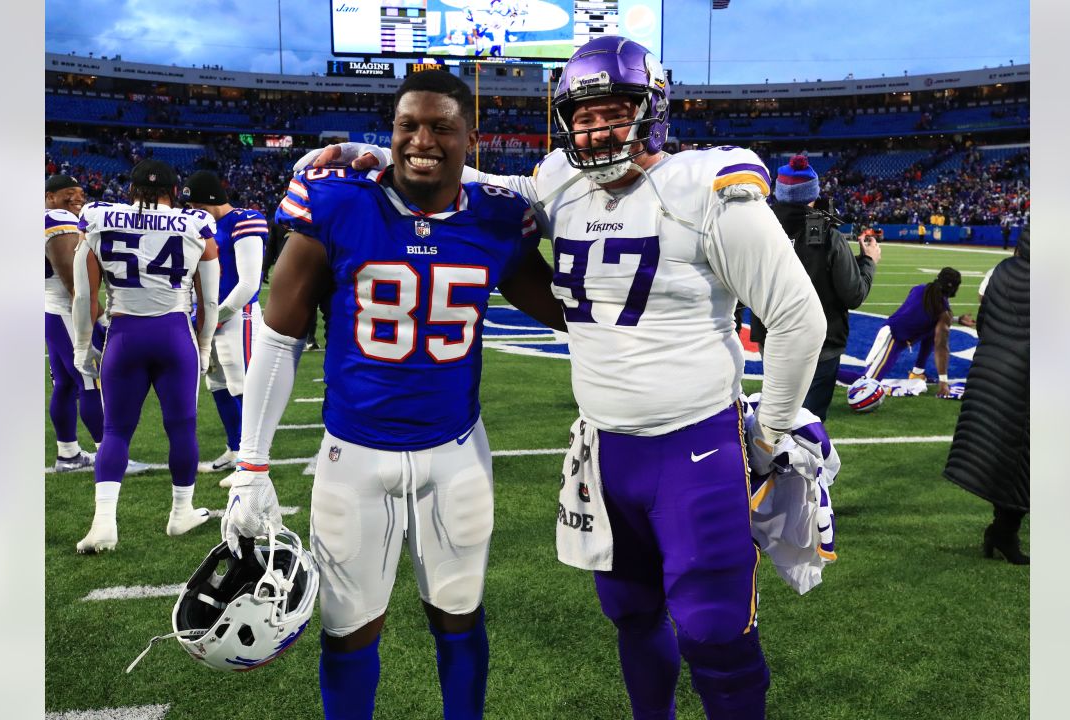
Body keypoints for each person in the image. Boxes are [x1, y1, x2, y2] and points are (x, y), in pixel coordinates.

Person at [307, 35, 825, 720]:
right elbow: (490, 187)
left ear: (652, 111)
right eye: (582, 116)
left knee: (712, 627)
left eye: (612, 111)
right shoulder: (561, 182)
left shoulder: (707, 189)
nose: (595, 128)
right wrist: (382, 155)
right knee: (631, 613)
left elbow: (798, 318)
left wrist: (772, 436)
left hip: (694, 445)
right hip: (607, 450)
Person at [220, 70, 565, 719]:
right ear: (390, 132)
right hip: (354, 457)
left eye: (440, 126)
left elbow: (568, 311)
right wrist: (251, 465)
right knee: (348, 627)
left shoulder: (496, 217)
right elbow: (277, 335)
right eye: (408, 126)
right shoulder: (338, 202)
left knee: (458, 616)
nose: (421, 140)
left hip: (456, 453)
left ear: (471, 137)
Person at [70, 159, 220, 554]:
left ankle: (103, 522)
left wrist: (83, 346)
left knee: (116, 430)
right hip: (173, 334)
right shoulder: (195, 226)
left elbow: (84, 295)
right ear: (174, 191)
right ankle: (181, 512)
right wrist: (204, 346)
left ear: (130, 190)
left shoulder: (99, 218)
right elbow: (211, 300)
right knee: (181, 426)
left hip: (124, 334)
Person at [748, 156, 880, 421]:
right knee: (808, 426)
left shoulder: (758, 227)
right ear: (813, 192)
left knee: (775, 419)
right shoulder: (827, 233)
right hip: (820, 341)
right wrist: (868, 261)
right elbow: (854, 293)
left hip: (771, 337)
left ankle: (769, 461)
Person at [44, 175, 149, 474]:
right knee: (90, 382)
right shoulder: (58, 218)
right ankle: (110, 456)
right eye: (68, 193)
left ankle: (68, 454)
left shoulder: (52, 217)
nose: (78, 198)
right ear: (50, 196)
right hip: (67, 311)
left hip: (53, 311)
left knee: (65, 384)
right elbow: (75, 285)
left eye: (80, 193)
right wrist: (102, 319)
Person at [943, 228, 1029, 563]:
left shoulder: (1003, 271)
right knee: (1023, 461)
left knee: (1006, 458)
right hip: (1024, 378)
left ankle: (1002, 532)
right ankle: (1003, 533)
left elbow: (984, 324)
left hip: (992, 371)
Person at [180, 170, 268, 474]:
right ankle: (234, 448)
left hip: (237, 315)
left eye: (196, 206)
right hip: (208, 313)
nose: (191, 212)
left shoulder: (243, 220)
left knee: (241, 383)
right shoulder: (200, 224)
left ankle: (250, 459)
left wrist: (215, 316)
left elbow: (248, 284)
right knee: (216, 383)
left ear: (210, 201)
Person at [844, 267, 976, 397]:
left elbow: (925, 315)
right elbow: (941, 346)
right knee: (867, 382)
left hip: (900, 333)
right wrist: (943, 381)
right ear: (955, 288)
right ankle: (826, 372)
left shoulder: (920, 289)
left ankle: (918, 372)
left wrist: (956, 319)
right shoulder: (942, 312)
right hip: (893, 336)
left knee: (931, 330)